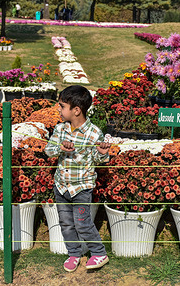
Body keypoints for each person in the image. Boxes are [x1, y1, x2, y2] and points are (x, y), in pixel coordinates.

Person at [45, 85, 111, 273]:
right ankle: (74, 254)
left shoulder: (94, 133)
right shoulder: (59, 130)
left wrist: (102, 152)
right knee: (66, 223)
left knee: (82, 222)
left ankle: (99, 253)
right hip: (62, 187)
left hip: (81, 188)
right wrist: (60, 148)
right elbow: (48, 151)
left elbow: (99, 160)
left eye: (62, 106)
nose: (58, 109)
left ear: (76, 110)